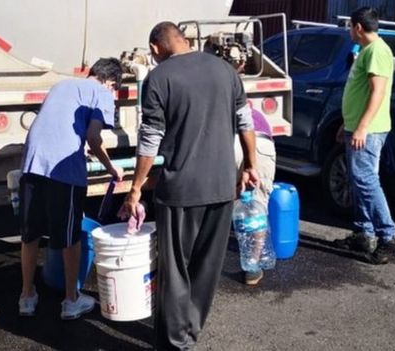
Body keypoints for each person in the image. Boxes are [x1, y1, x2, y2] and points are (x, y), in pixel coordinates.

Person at [119, 22, 258, 350]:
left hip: (181, 190)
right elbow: (245, 121)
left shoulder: (159, 78)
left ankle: (173, 343)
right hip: (223, 186)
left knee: (176, 269)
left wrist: (136, 186)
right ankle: (187, 335)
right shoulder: (225, 71)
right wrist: (249, 165)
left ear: (155, 48)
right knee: (206, 268)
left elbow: (150, 138)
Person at [18, 58, 124, 319]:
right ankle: (71, 300)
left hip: (32, 162)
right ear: (111, 83)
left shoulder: (61, 85)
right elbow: (93, 137)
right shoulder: (103, 94)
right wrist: (111, 168)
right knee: (70, 235)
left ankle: (26, 296)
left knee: (30, 233)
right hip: (63, 169)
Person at [334, 7, 395, 264]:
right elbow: (361, 92)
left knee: (365, 180)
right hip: (359, 126)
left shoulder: (377, 51)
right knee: (358, 180)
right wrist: (349, 123)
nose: (348, 32)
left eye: (349, 27)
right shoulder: (367, 51)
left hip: (370, 129)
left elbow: (377, 92)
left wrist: (363, 126)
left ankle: (389, 237)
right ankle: (364, 234)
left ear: (357, 27)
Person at [234, 106, 276, 285]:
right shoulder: (248, 107)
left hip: (231, 141)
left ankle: (206, 264)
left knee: (225, 199)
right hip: (263, 141)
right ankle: (252, 267)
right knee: (256, 205)